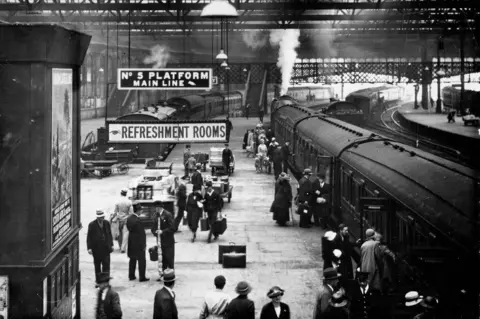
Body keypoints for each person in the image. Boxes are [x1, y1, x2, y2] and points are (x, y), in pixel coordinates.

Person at [87, 209, 114, 282]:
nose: (103, 218)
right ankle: (98, 281)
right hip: (97, 249)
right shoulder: (92, 225)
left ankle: (106, 280)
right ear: (97, 217)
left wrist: (111, 244)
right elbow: (89, 237)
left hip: (106, 249)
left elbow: (109, 234)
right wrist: (89, 248)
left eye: (103, 216)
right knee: (97, 266)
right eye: (101, 217)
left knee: (106, 265)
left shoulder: (106, 223)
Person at [151, 203, 176, 280]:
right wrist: (155, 232)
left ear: (160, 208)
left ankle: (171, 275)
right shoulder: (155, 215)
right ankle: (163, 274)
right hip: (160, 241)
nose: (155, 209)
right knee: (162, 258)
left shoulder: (168, 215)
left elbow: (173, 228)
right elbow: (153, 227)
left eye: (156, 207)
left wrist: (163, 231)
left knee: (169, 258)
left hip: (168, 241)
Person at [126, 203, 149, 282]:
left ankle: (131, 275)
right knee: (142, 260)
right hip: (139, 243)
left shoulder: (129, 218)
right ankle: (142, 276)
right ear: (139, 211)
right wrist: (144, 244)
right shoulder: (138, 220)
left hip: (131, 241)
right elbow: (141, 234)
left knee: (132, 259)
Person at [111, 188, 132, 253]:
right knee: (125, 234)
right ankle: (123, 248)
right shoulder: (129, 202)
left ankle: (120, 246)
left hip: (119, 219)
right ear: (126, 194)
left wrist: (112, 217)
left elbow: (115, 211)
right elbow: (131, 212)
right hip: (126, 219)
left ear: (121, 193)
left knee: (119, 233)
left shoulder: (117, 201)